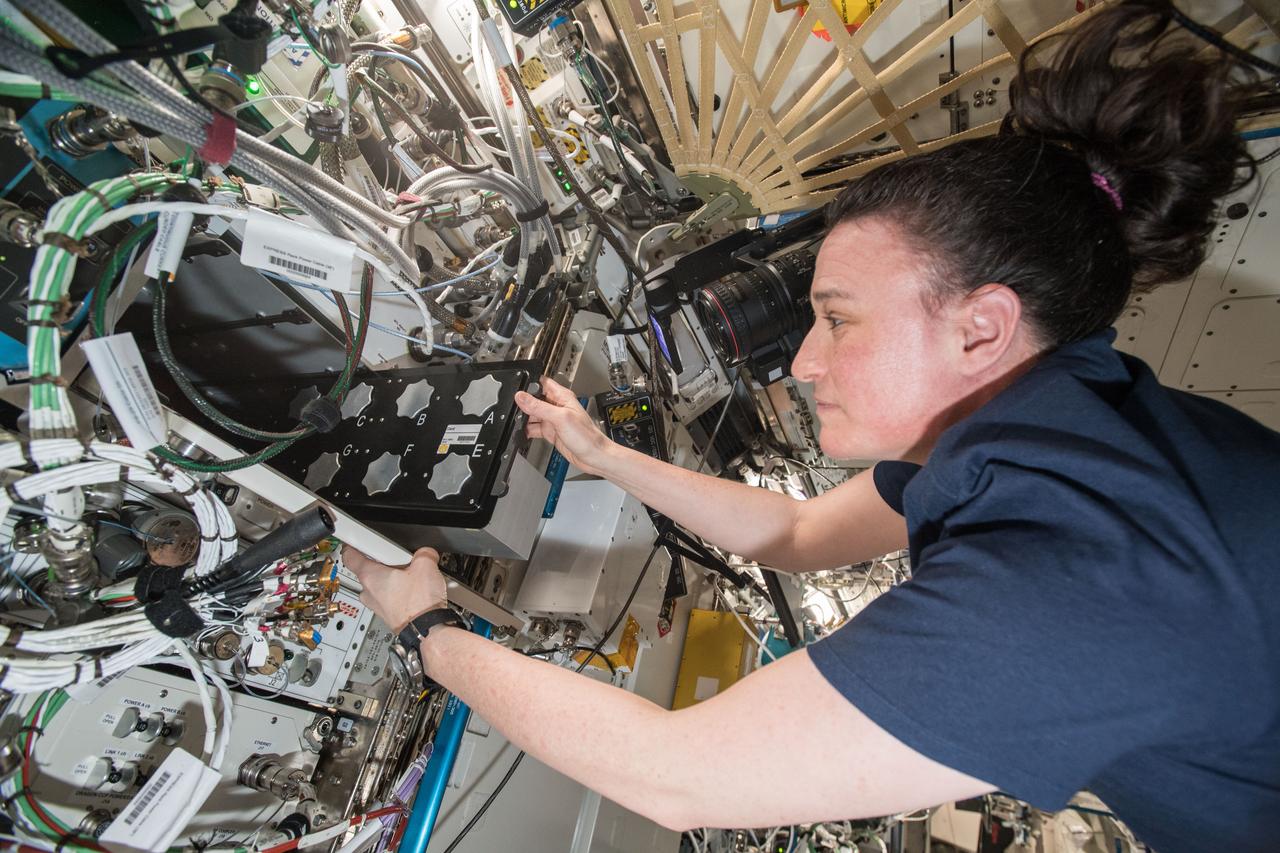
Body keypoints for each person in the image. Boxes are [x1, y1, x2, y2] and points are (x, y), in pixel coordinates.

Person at [342, 2, 1280, 850]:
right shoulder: (1067, 425)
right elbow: (796, 532)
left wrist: (426, 627)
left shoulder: (1084, 574)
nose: (802, 362)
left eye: (836, 318)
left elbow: (676, 776)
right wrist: (605, 455)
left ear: (982, 328)